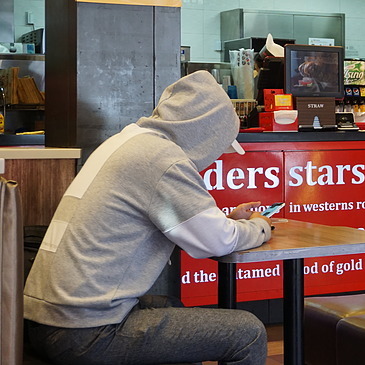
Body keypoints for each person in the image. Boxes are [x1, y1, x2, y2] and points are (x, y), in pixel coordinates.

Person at [24, 70, 272, 365]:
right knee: (249, 333)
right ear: (207, 132)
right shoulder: (163, 159)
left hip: (42, 319)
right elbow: (217, 242)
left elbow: (164, 222)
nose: (216, 156)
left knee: (173, 307)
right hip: (85, 333)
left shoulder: (125, 142)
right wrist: (260, 226)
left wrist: (227, 219)